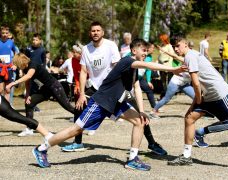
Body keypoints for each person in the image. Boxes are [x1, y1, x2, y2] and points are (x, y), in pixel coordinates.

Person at [32, 38, 186, 170]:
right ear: (133, 50)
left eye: (147, 51)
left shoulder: (133, 69)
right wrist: (173, 69)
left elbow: (137, 88)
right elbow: (148, 66)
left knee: (139, 121)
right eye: (143, 50)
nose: (145, 53)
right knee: (75, 130)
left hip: (115, 103)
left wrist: (141, 110)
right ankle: (41, 149)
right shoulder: (127, 61)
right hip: (101, 102)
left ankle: (133, 159)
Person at [62, 22, 168, 156]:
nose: (95, 33)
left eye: (98, 30)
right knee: (79, 107)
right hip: (96, 88)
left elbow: (120, 66)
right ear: (90, 33)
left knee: (139, 114)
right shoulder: (86, 49)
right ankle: (78, 142)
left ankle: (152, 143)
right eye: (93, 31)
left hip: (114, 88)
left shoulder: (110, 45)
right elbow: (83, 72)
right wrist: (82, 93)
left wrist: (129, 86)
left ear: (103, 32)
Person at [167, 37, 228, 166]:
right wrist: (194, 104)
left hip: (219, 94)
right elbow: (199, 84)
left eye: (178, 46)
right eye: (174, 47)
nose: (176, 49)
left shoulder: (190, 56)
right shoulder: (190, 56)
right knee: (189, 118)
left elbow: (195, 83)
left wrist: (199, 100)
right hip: (208, 96)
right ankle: (186, 156)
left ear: (185, 44)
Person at [6, 53, 80, 135]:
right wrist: (27, 95)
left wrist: (13, 83)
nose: (17, 66)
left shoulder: (32, 64)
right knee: (29, 103)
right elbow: (28, 82)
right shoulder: (25, 68)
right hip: (45, 89)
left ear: (21, 62)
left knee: (68, 107)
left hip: (55, 87)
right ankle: (29, 128)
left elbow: (29, 76)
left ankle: (88, 120)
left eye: (17, 64)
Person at [149, 43, 195, 118]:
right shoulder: (186, 60)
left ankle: (200, 112)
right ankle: (153, 112)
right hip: (175, 82)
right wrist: (163, 50)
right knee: (167, 99)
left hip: (184, 84)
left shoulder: (197, 64)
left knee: (196, 97)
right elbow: (174, 56)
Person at [0, 26, 17, 102]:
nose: (4, 34)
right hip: (0, 69)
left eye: (6, 33)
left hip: (9, 68)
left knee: (8, 89)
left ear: (8, 33)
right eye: (3, 33)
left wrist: (14, 64)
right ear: (0, 33)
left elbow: (15, 52)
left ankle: (7, 108)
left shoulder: (11, 42)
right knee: (0, 90)